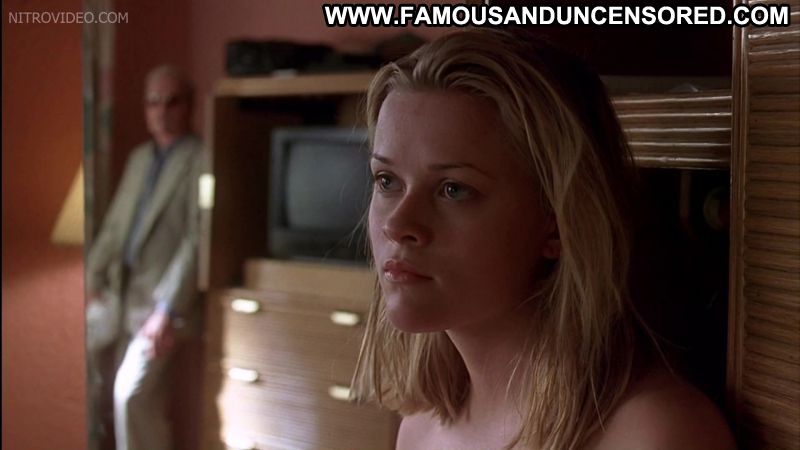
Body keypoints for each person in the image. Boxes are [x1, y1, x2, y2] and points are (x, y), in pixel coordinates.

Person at [351, 28, 736, 450]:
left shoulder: (655, 434)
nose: (398, 224)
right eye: (387, 180)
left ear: (557, 223)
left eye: (453, 189)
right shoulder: (420, 428)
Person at [86, 64, 204, 450]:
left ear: (188, 106)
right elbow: (114, 226)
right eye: (153, 102)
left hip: (160, 303)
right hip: (121, 294)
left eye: (172, 102)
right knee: (132, 402)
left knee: (131, 395)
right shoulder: (140, 159)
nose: (162, 111)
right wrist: (91, 279)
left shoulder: (201, 158)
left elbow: (196, 238)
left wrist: (166, 310)